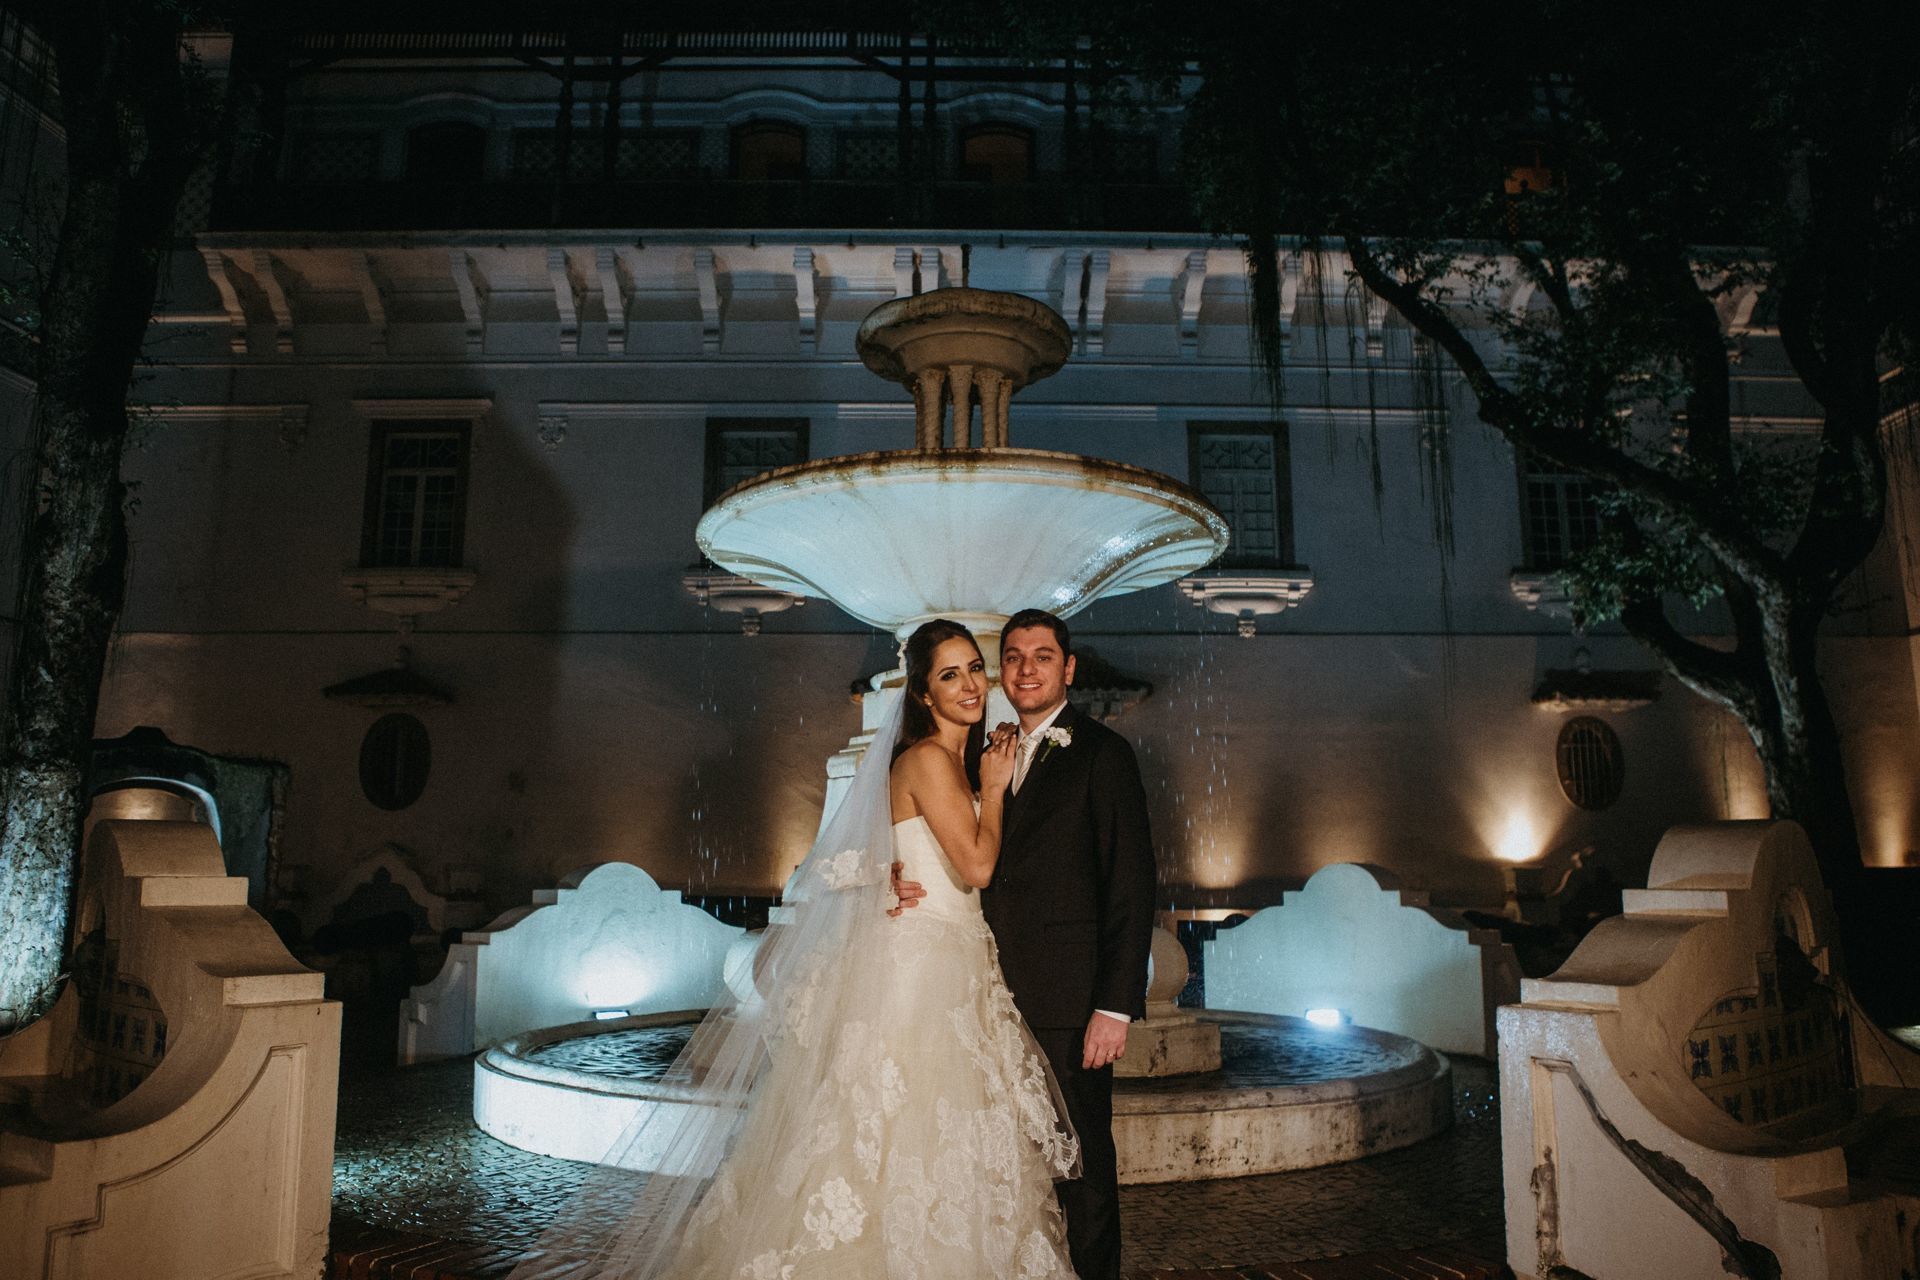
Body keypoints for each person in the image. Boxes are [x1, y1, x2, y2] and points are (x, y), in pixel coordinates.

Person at [513, 618, 1079, 1279]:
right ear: (922, 694)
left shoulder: (947, 761)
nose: (970, 686)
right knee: (903, 1131)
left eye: (974, 669)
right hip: (924, 974)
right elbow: (978, 867)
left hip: (953, 965)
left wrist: (896, 866)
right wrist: (992, 788)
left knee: (936, 1139)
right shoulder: (929, 760)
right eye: (949, 675)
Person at [892, 608, 1156, 1280]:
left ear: (1068, 669)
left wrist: (1116, 1006)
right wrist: (889, 876)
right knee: (1003, 1173)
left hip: (1069, 1003)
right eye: (1012, 656)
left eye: (1043, 655)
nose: (1025, 667)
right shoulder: (985, 754)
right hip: (981, 998)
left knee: (1083, 1167)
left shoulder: (1103, 753)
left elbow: (1131, 884)